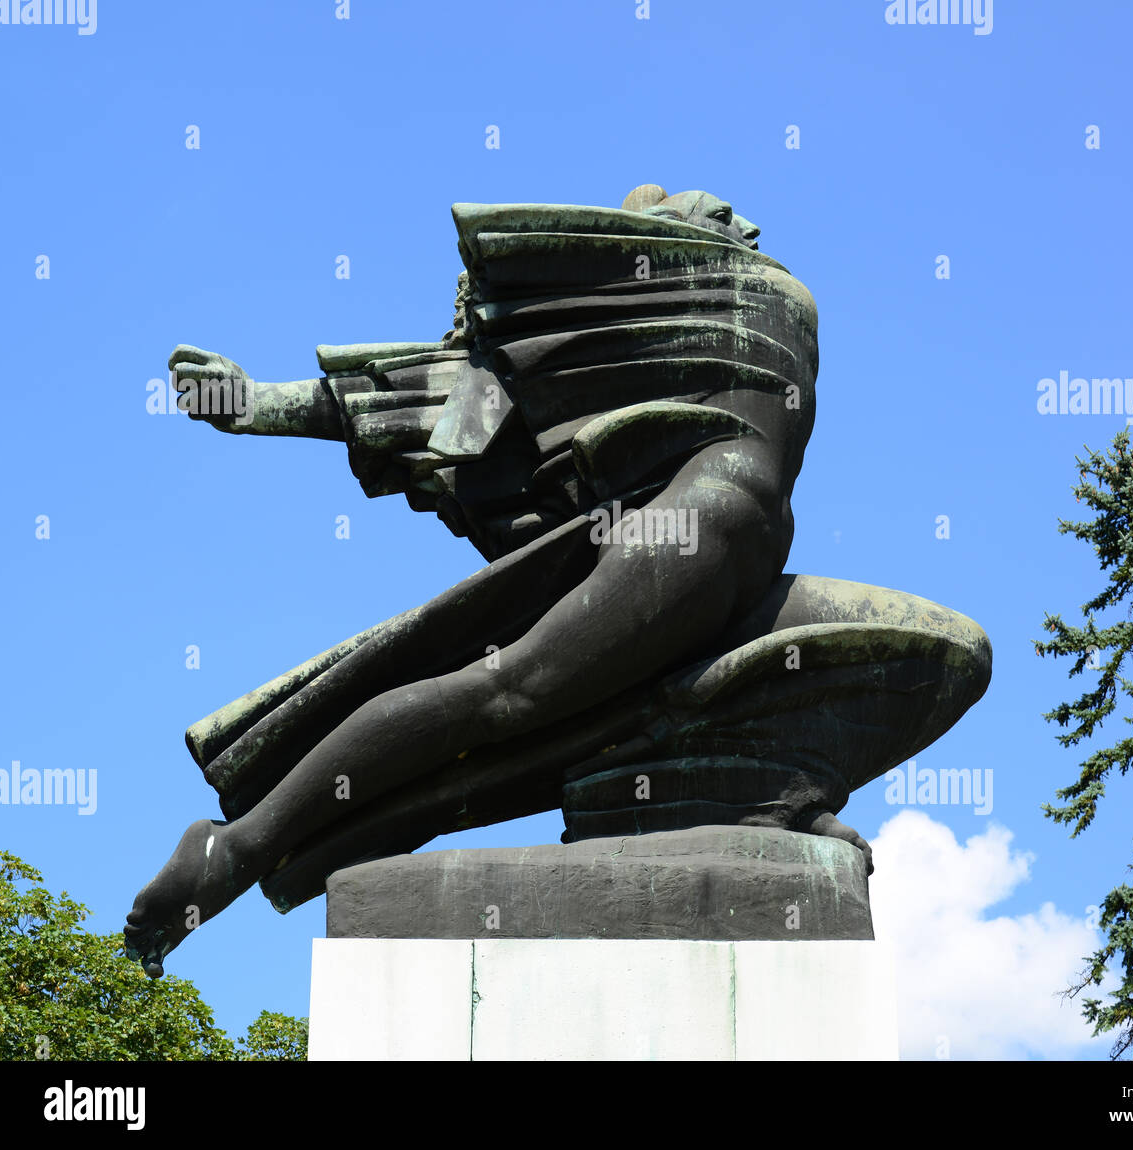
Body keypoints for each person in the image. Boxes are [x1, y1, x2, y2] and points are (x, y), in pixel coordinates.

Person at [125, 187, 825, 976]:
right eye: (721, 215)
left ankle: (743, 795)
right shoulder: (720, 291)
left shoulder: (730, 304)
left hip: (748, 551)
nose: (747, 226)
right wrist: (257, 405)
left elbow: (481, 387)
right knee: (506, 692)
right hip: (702, 525)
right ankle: (235, 847)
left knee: (941, 650)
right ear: (663, 234)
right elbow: (464, 392)